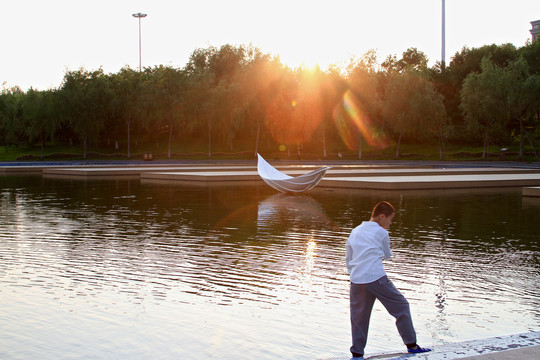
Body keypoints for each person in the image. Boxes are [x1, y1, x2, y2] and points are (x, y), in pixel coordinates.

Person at [345, 201, 431, 359]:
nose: (390, 223)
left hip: (356, 280)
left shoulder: (355, 231)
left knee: (359, 318)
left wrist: (354, 275)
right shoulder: (381, 232)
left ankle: (357, 354)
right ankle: (412, 346)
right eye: (390, 219)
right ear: (382, 216)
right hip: (376, 278)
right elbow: (387, 254)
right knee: (401, 307)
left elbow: (348, 258)